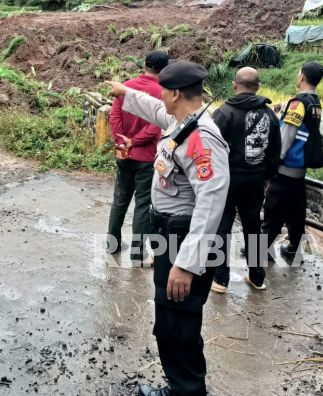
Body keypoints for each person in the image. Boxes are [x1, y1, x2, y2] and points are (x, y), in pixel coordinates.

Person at [105, 61, 230, 396]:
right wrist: (126, 92)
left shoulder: (201, 138)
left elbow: (211, 203)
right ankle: (180, 387)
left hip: (183, 238)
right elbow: (155, 110)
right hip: (169, 233)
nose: (160, 96)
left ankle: (187, 391)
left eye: (163, 90)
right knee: (169, 316)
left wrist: (187, 264)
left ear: (175, 92)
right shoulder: (182, 121)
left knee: (179, 320)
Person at [210, 67, 280, 294]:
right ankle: (257, 277)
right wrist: (267, 177)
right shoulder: (269, 115)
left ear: (234, 85)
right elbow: (274, 150)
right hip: (255, 180)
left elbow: (209, 148)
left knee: (222, 228)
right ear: (258, 86)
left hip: (226, 181)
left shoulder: (224, 113)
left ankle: (220, 280)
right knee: (253, 227)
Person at [107, 51, 169, 266]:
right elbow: (157, 125)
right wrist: (137, 141)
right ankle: (138, 255)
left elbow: (114, 115)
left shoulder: (125, 86)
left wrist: (123, 142)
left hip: (123, 153)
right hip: (147, 157)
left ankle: (112, 244)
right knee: (143, 205)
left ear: (144, 64)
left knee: (120, 199)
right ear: (165, 69)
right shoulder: (163, 93)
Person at [262, 61, 323, 259]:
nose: (297, 76)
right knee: (296, 214)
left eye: (299, 74)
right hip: (300, 171)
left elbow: (287, 134)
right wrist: (284, 108)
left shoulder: (298, 103)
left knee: (272, 212)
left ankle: (259, 251)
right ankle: (294, 250)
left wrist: (274, 161)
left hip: (286, 168)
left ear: (302, 77)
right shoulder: (315, 103)